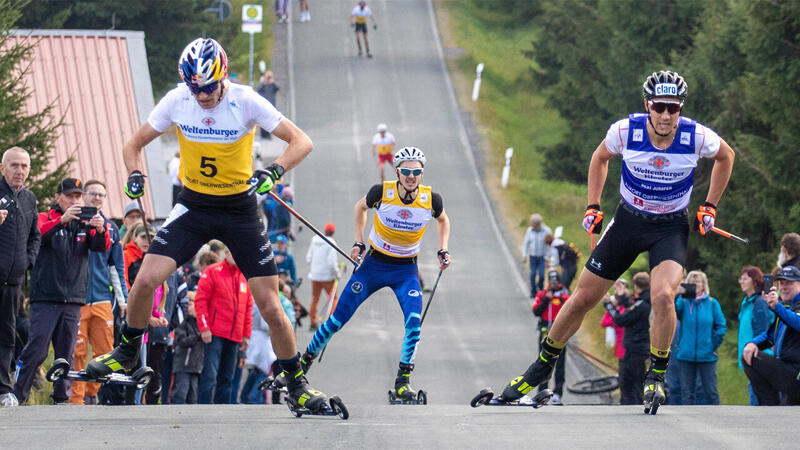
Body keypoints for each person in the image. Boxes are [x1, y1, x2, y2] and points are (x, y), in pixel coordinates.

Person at [87, 37, 333, 412]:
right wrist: (135, 173)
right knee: (145, 279)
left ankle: (296, 383)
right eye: (194, 88)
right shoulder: (177, 99)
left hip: (239, 208)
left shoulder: (245, 99)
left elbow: (302, 141)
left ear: (223, 77)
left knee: (269, 303)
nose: (201, 96)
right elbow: (132, 144)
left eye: (208, 87)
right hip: (195, 204)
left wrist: (275, 170)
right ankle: (127, 351)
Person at [497, 70, 735, 414]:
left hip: (669, 227)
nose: (667, 115)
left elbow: (726, 157)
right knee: (583, 297)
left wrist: (710, 205)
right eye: (660, 107)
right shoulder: (626, 130)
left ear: (681, 108)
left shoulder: (696, 136)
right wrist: (593, 205)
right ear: (647, 105)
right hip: (628, 221)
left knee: (663, 296)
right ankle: (540, 367)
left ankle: (656, 375)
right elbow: (599, 158)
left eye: (674, 108)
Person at [276, 147, 451, 402]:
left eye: (416, 172)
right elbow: (360, 208)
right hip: (373, 266)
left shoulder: (431, 199)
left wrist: (443, 248)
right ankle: (302, 365)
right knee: (337, 320)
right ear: (397, 172)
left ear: (422, 173)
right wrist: (358, 241)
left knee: (414, 323)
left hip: (406, 271)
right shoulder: (382, 192)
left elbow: (443, 220)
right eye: (406, 171)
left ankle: (403, 381)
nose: (411, 176)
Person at [13, 178, 110, 404]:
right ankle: (17, 395)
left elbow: (101, 247)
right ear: (58, 197)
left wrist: (100, 228)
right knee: (37, 350)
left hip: (74, 299)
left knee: (66, 355)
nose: (74, 200)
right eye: (70, 196)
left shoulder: (85, 222)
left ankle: (61, 398)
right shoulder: (45, 217)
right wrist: (61, 222)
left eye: (78, 196)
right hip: (46, 297)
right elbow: (34, 236)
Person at [70, 180, 128, 405]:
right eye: (93, 194)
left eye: (101, 195)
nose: (97, 198)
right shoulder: (74, 221)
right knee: (77, 352)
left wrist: (123, 300)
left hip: (103, 298)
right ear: (84, 195)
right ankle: (75, 400)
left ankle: (93, 394)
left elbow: (116, 266)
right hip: (78, 298)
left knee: (105, 352)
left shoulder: (111, 227)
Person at [0, 147, 40, 407]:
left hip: (14, 282)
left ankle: (3, 389)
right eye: (14, 165)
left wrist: (28, 261)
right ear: (2, 168)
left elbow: (35, 235)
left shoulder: (29, 199)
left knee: (6, 336)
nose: (20, 171)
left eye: (24, 166)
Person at [195, 245, 253, 404]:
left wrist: (246, 335)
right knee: (210, 376)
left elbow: (248, 308)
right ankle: (203, 409)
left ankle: (222, 413)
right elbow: (201, 301)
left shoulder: (243, 277)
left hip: (234, 335)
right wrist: (204, 327)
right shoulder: (212, 271)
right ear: (226, 253)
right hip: (215, 333)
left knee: (227, 378)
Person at [742, 265, 800, 405]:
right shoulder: (787, 307)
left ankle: (770, 407)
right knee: (749, 354)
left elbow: (797, 322)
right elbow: (770, 336)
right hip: (788, 369)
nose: (784, 287)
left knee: (754, 359)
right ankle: (770, 408)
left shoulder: (788, 307)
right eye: (781, 283)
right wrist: (752, 343)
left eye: (789, 283)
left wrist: (776, 307)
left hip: (796, 373)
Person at [674, 270, 726, 405]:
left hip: (707, 355)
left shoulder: (712, 303)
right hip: (686, 355)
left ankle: (716, 419)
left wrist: (712, 345)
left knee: (711, 392)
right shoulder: (684, 303)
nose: (695, 285)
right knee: (687, 394)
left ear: (704, 284)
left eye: (698, 282)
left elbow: (721, 327)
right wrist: (681, 295)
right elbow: (674, 313)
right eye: (691, 282)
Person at [605, 272, 651, 405]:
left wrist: (608, 305)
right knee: (636, 383)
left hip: (634, 349)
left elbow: (621, 320)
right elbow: (631, 303)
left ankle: (630, 411)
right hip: (641, 347)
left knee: (629, 384)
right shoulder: (647, 300)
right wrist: (622, 295)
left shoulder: (642, 304)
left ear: (636, 286)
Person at [531, 270, 569, 405]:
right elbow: (536, 311)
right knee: (543, 364)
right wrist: (546, 299)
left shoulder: (564, 296)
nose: (553, 284)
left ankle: (558, 392)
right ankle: (542, 391)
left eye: (555, 281)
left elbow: (570, 312)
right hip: (545, 334)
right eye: (551, 281)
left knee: (560, 366)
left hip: (560, 336)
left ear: (559, 282)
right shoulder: (542, 294)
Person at [737, 265, 773, 405]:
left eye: (745, 278)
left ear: (754, 281)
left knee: (757, 401)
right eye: (741, 278)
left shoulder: (759, 303)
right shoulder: (747, 303)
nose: (741, 281)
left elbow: (763, 332)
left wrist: (756, 358)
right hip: (750, 358)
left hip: (758, 358)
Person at [306, 222, 340, 331]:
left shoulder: (314, 240)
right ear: (333, 232)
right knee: (333, 298)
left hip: (315, 275)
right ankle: (330, 322)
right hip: (327, 277)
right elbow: (332, 263)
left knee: (315, 298)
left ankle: (312, 322)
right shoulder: (331, 243)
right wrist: (337, 274)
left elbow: (308, 258)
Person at [170, 297, 203, 404]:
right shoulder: (183, 322)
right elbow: (181, 341)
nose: (190, 308)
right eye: (189, 304)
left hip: (196, 366)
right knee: (180, 394)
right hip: (183, 365)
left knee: (193, 397)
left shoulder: (201, 324)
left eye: (192, 304)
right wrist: (198, 337)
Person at [521, 214, 551, 297]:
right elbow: (526, 243)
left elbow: (549, 246)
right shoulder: (529, 231)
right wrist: (524, 255)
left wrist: (548, 259)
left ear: (538, 224)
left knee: (541, 275)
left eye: (534, 225)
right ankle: (533, 291)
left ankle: (540, 290)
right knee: (533, 274)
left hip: (542, 257)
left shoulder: (546, 231)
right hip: (533, 256)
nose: (532, 226)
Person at [256, 71, 280, 139]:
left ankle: (268, 135)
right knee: (262, 120)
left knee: (270, 121)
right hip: (263, 105)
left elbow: (278, 88)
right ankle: (263, 135)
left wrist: (273, 82)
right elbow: (258, 89)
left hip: (271, 105)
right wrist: (265, 82)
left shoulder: (273, 84)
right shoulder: (263, 84)